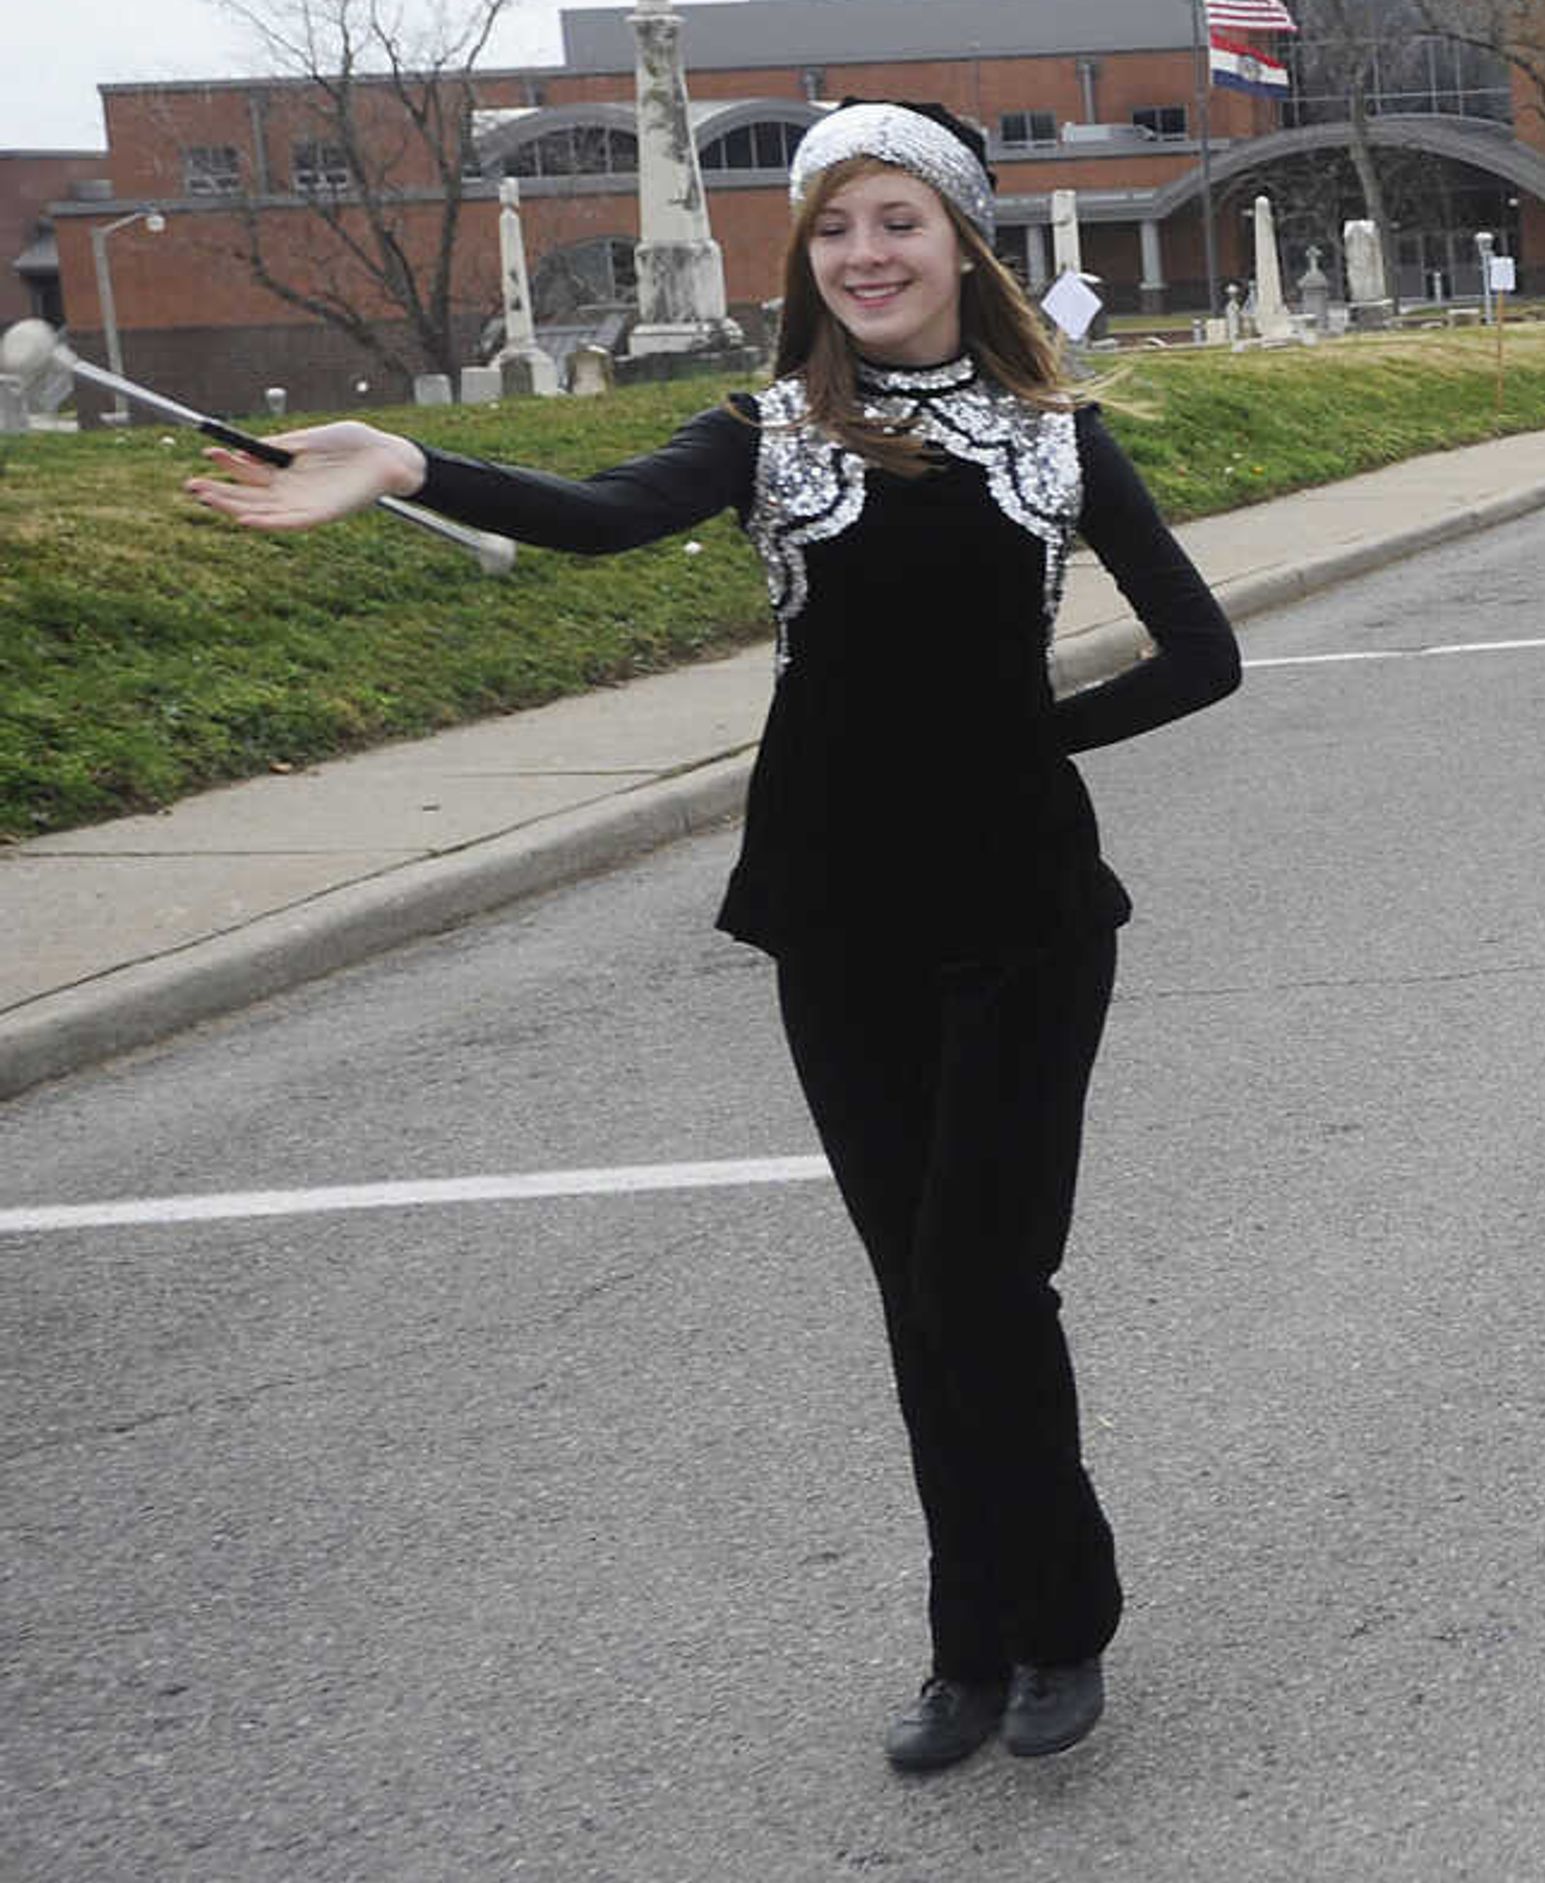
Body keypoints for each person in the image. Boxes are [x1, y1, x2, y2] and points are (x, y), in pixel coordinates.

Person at [178, 101, 1242, 1766]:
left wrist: (1032, 745)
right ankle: (972, 1643)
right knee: (915, 1291)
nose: (864, 254)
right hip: (838, 917)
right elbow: (600, 516)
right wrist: (402, 461)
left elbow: (1202, 655)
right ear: (806, 260)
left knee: (984, 1280)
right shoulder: (767, 432)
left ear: (962, 240)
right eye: (833, 229)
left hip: (1030, 916)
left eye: (896, 220)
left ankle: (1063, 1616)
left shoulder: (1056, 436)